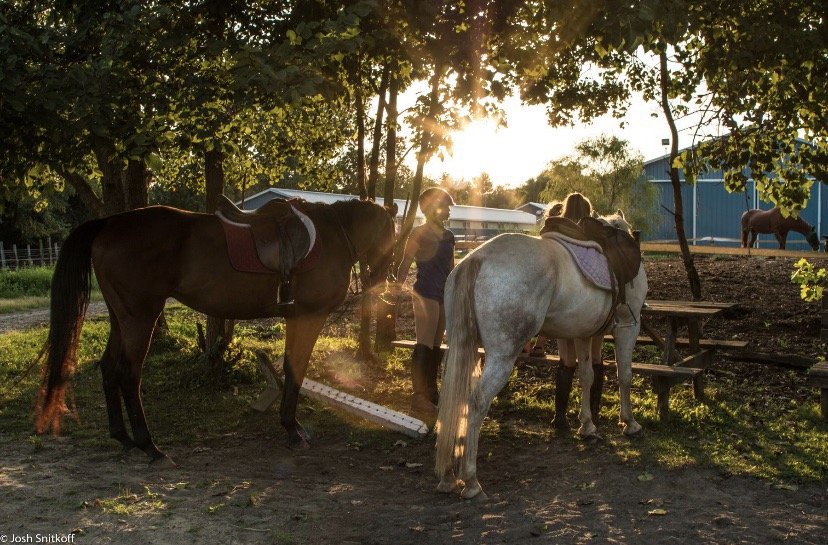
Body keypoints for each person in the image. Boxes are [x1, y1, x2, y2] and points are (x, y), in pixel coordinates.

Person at [547, 192, 606, 428]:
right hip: (592, 306)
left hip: (563, 305)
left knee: (567, 360)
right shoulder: (593, 242)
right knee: (596, 357)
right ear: (588, 212)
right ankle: (592, 414)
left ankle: (559, 416)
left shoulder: (557, 238)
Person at [395, 187, 456, 418]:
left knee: (436, 346)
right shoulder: (418, 234)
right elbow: (405, 263)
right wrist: (396, 291)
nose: (449, 210)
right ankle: (418, 397)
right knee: (424, 343)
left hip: (443, 294)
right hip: (424, 293)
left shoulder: (449, 236)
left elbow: (451, 267)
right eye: (446, 206)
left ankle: (432, 391)